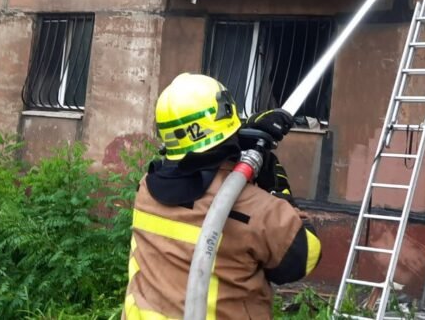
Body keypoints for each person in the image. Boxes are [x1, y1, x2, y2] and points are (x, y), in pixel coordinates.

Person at [123, 73, 321, 319]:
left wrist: (239, 137)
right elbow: (303, 257)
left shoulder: (146, 189)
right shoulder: (254, 209)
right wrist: (279, 193)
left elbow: (198, 171)